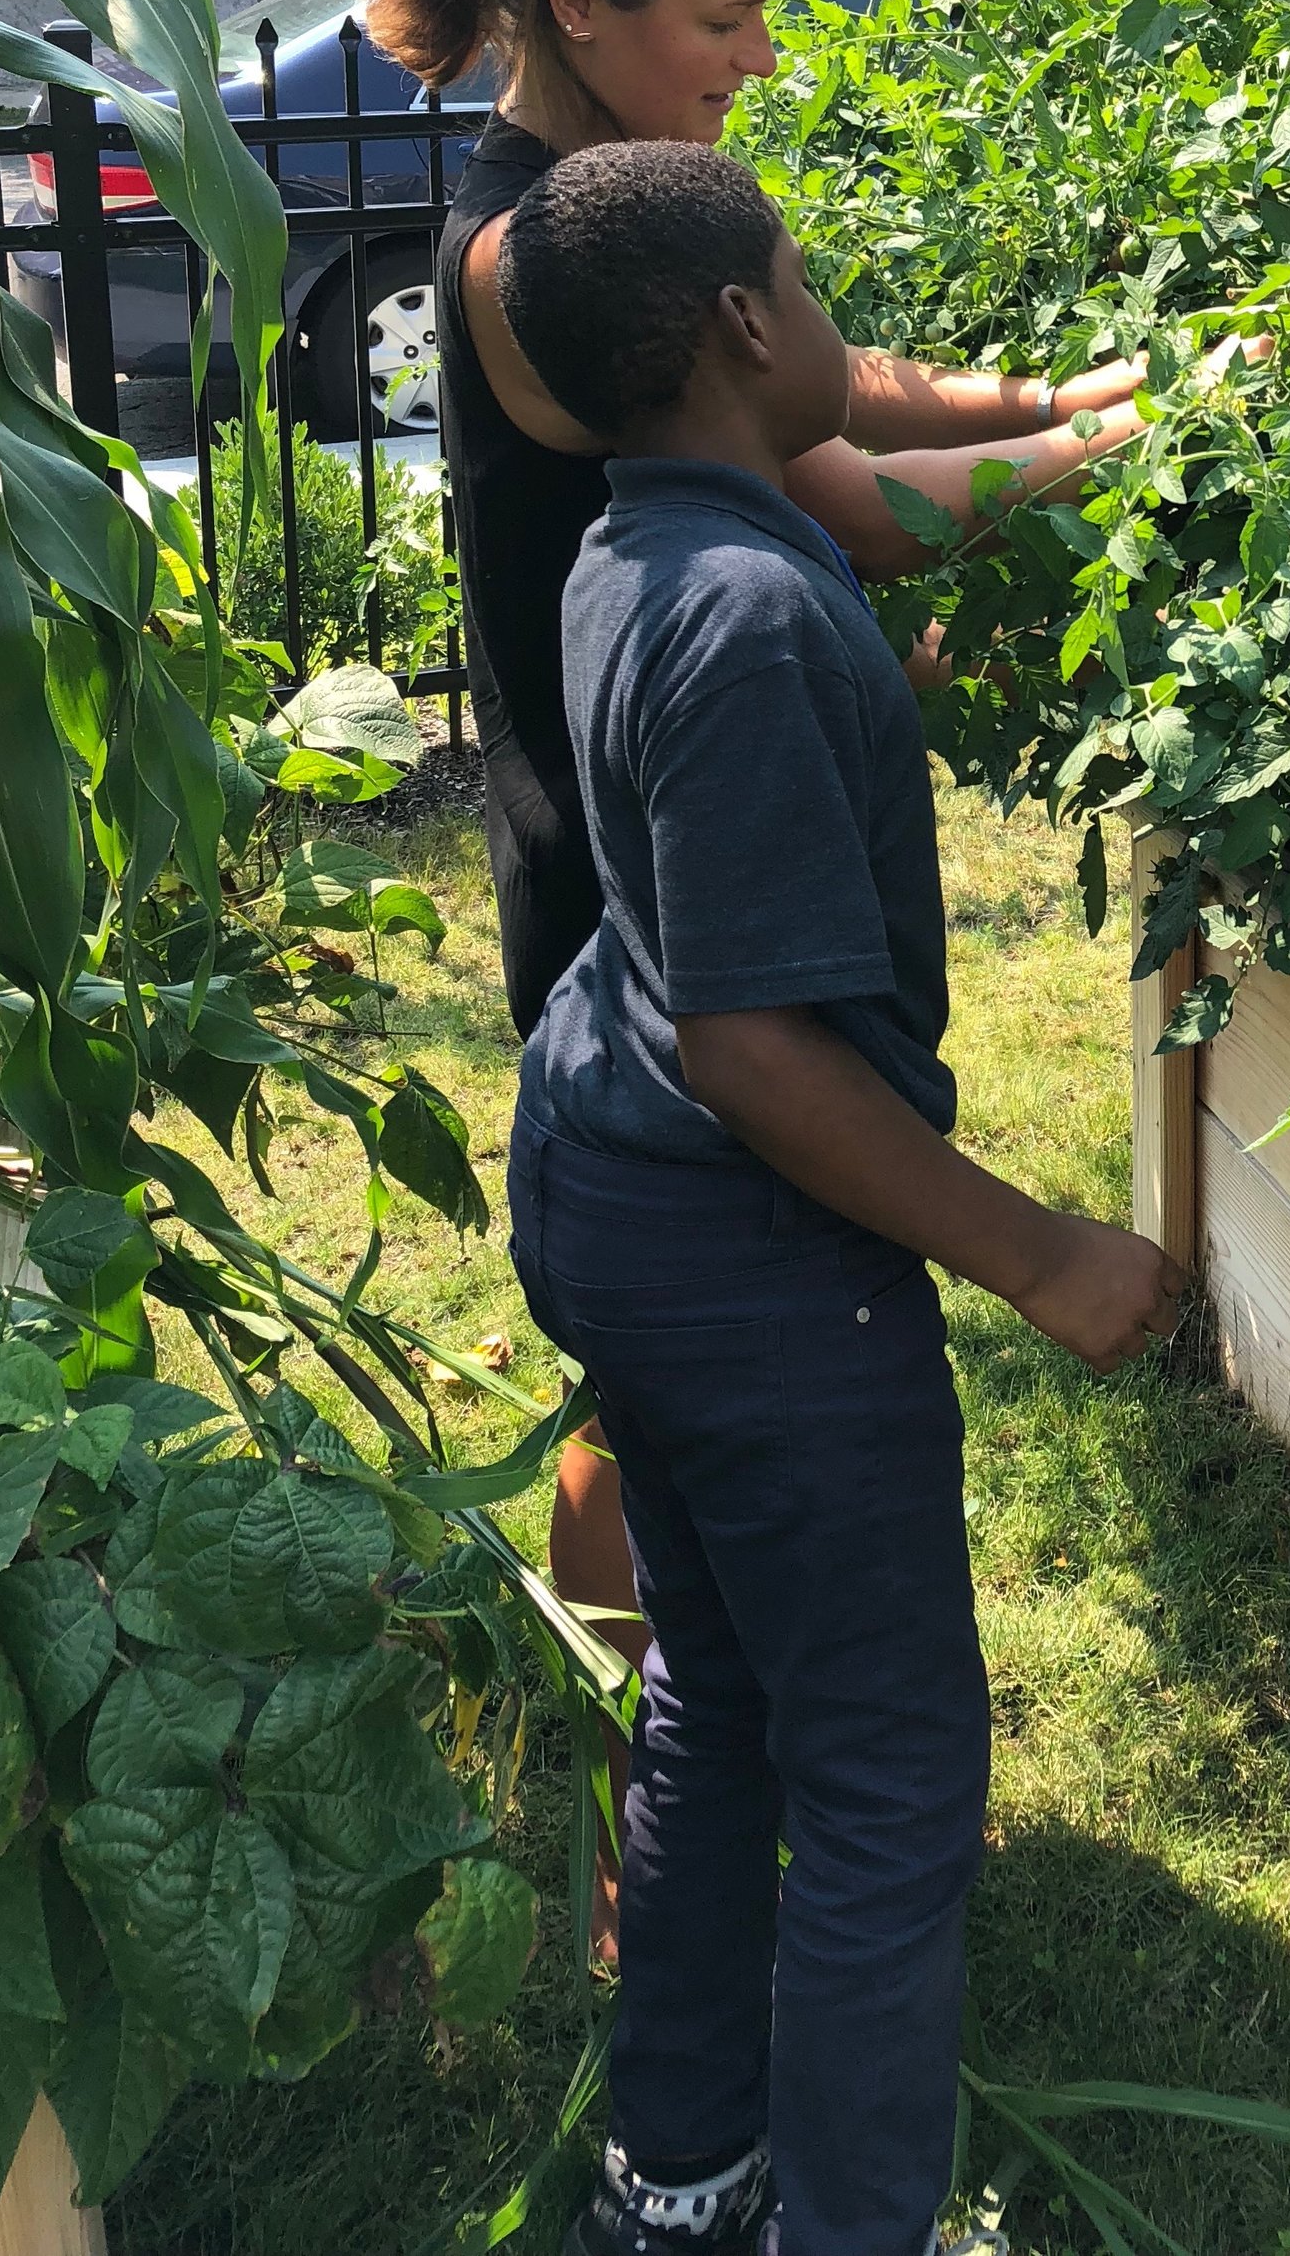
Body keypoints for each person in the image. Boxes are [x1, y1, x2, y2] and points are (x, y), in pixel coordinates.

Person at [354, 0, 1153, 1938]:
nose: (757, 52)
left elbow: (841, 377)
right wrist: (1110, 449)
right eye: (725, 15)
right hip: (627, 878)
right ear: (584, 4)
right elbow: (842, 500)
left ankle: (674, 1753)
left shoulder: (617, 203)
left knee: (663, 1369)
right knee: (678, 1362)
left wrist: (1046, 384)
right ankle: (651, 1792)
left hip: (642, 814)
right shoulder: (542, 258)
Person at [499, 140, 1183, 2256]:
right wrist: (1042, 1248)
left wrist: (1095, 421)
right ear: (733, 324)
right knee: (890, 1784)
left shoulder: (643, 541)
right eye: (805, 279)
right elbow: (756, 1046)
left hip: (608, 1193)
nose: (828, 312)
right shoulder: (739, 615)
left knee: (716, 1679)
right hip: (746, 1263)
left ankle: (678, 2175)